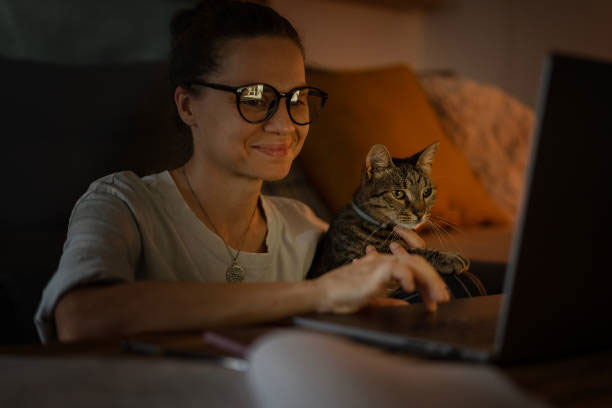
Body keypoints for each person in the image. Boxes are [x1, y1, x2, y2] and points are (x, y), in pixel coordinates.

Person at [35, 0, 449, 343]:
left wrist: (394, 275)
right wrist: (319, 293)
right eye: (254, 96)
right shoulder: (121, 204)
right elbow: (80, 318)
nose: (285, 123)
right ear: (187, 105)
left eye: (297, 97)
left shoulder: (303, 227)